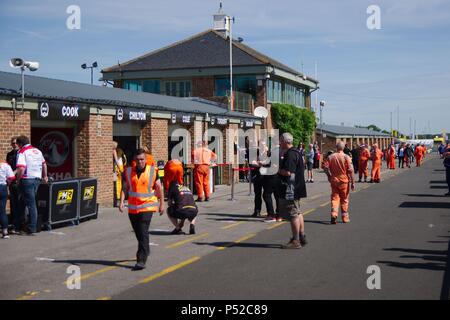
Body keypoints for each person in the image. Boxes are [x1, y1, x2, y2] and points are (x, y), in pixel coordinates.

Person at [119, 148, 164, 271]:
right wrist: (122, 201)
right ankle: (146, 249)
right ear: (135, 160)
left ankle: (141, 260)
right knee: (139, 233)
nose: (140, 162)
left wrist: (162, 204)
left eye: (142, 159)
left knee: (143, 231)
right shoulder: (128, 172)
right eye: (138, 160)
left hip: (148, 206)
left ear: (146, 159)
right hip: (133, 208)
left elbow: (160, 188)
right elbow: (125, 187)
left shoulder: (153, 171)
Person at [276, 133, 307, 249]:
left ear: (284, 141)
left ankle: (296, 240)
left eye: (280, 141)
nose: (279, 143)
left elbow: (288, 172)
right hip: (297, 187)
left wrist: (277, 170)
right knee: (298, 212)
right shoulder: (297, 152)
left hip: (291, 188)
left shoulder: (290, 154)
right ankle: (301, 235)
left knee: (293, 213)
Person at [16, 135, 48, 235]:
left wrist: (18, 179)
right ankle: (19, 224)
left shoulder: (22, 152)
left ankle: (31, 228)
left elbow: (21, 168)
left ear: (20, 144)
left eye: (17, 144)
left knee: (31, 204)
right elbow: (44, 164)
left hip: (27, 179)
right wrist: (45, 176)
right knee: (23, 202)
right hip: (37, 179)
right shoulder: (37, 151)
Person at [323, 141, 355, 224]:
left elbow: (325, 167)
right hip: (344, 180)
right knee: (344, 199)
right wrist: (353, 182)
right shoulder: (346, 157)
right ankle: (345, 217)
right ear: (343, 147)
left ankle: (334, 213)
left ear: (336, 147)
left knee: (335, 198)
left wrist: (329, 176)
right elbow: (351, 170)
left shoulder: (331, 157)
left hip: (334, 180)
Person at [6, 137, 20, 234]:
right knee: (13, 203)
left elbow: (21, 168)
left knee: (20, 203)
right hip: (11, 182)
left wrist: (12, 175)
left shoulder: (22, 154)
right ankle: (14, 223)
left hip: (19, 181)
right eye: (12, 143)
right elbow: (7, 167)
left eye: (15, 143)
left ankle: (19, 224)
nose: (14, 145)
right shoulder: (9, 154)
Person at [0, 161, 15, 239]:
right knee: (2, 210)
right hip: (3, 187)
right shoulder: (5, 165)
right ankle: (5, 232)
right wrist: (8, 183)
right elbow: (11, 177)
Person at [113, 141, 127, 207]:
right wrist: (121, 170)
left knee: (117, 185)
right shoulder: (114, 151)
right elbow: (117, 161)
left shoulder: (115, 151)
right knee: (119, 185)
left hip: (116, 169)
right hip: (118, 169)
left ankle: (118, 200)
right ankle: (119, 201)